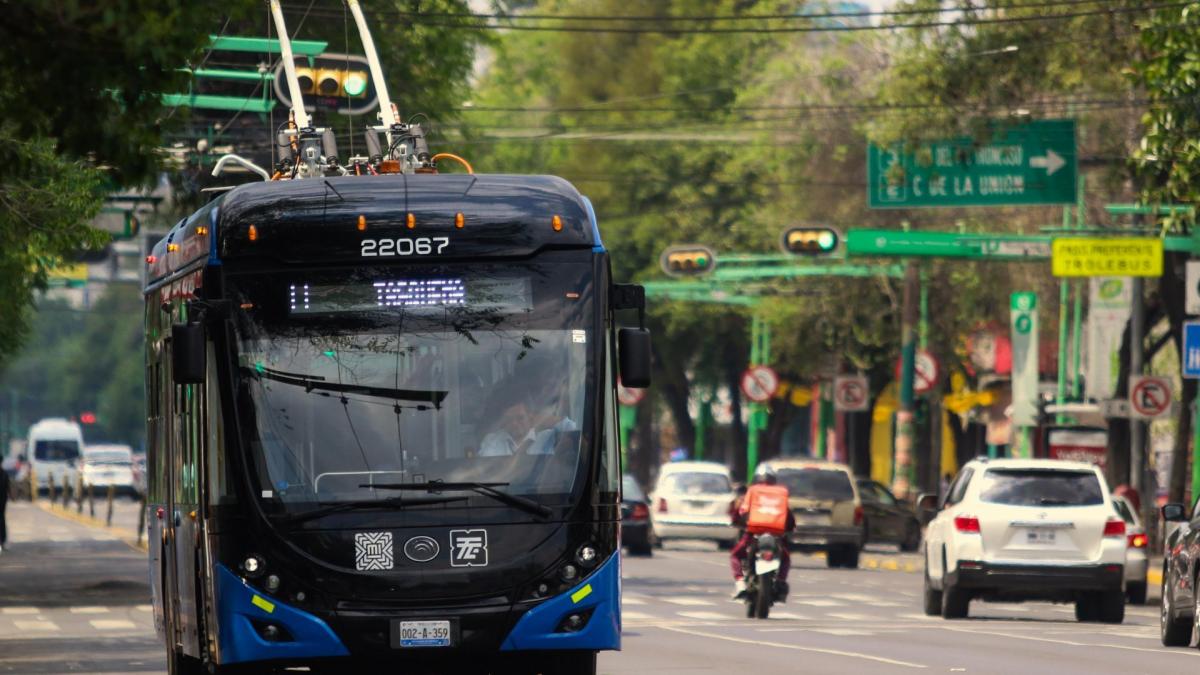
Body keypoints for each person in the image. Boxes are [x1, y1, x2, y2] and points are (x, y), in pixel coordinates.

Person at [730, 467, 795, 599]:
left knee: (735, 555)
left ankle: (740, 582)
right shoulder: (780, 493)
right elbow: (789, 519)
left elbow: (742, 511)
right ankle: (781, 581)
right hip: (776, 533)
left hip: (754, 531)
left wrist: (737, 520)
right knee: (786, 558)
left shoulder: (753, 491)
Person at [0, 462, 9, 553]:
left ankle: (2, 542)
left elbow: (7, 487)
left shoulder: (4, 474)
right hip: (2, 501)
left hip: (2, 502)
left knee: (1, 520)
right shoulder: (4, 474)